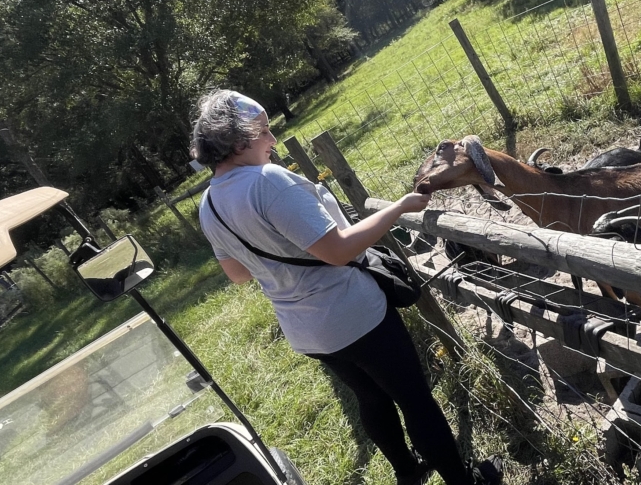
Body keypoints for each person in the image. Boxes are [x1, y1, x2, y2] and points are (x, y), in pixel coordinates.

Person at [190, 89, 504, 485]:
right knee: (415, 401)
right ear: (238, 141)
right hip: (354, 315)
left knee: (370, 397)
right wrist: (399, 208)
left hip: (307, 331)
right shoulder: (267, 181)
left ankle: (408, 472)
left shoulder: (210, 204)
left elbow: (238, 273)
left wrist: (272, 252)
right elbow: (337, 251)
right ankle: (465, 481)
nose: (272, 141)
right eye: (264, 131)